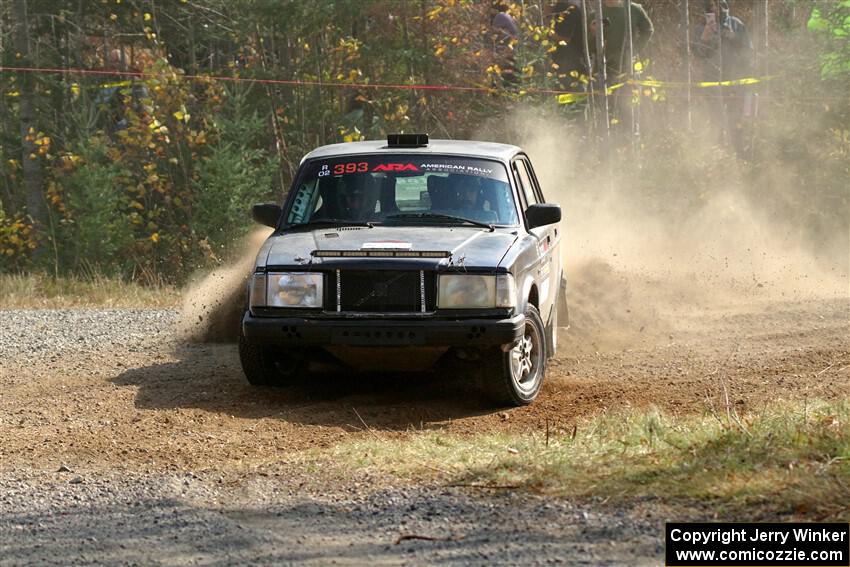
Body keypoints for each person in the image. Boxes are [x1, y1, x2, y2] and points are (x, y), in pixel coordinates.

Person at [693, 0, 754, 154]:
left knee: (736, 120)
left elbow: (748, 51)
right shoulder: (701, 27)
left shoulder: (736, 24)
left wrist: (733, 38)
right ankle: (718, 157)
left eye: (717, 4)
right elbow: (698, 55)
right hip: (711, 81)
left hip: (735, 81)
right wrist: (704, 37)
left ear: (722, 5)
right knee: (715, 120)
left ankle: (740, 154)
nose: (714, 8)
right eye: (710, 5)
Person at [589, 0, 654, 79]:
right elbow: (587, 48)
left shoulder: (633, 9)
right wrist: (594, 34)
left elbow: (647, 30)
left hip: (628, 66)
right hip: (603, 69)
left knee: (630, 90)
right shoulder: (595, 15)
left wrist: (634, 49)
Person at [549, 0, 589, 90]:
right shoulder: (573, 9)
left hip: (569, 61)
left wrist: (547, 35)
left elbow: (564, 38)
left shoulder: (566, 9)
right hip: (573, 59)